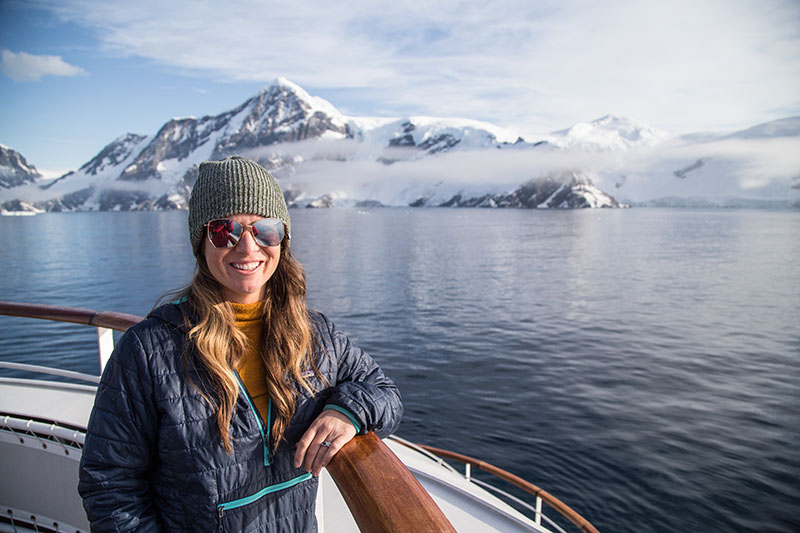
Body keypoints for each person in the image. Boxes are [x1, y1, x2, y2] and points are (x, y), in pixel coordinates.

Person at [78, 155, 403, 532]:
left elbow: (385, 392)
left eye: (265, 229)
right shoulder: (149, 351)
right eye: (225, 230)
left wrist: (348, 412)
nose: (248, 248)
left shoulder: (316, 335)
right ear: (202, 243)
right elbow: (110, 483)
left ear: (282, 238)